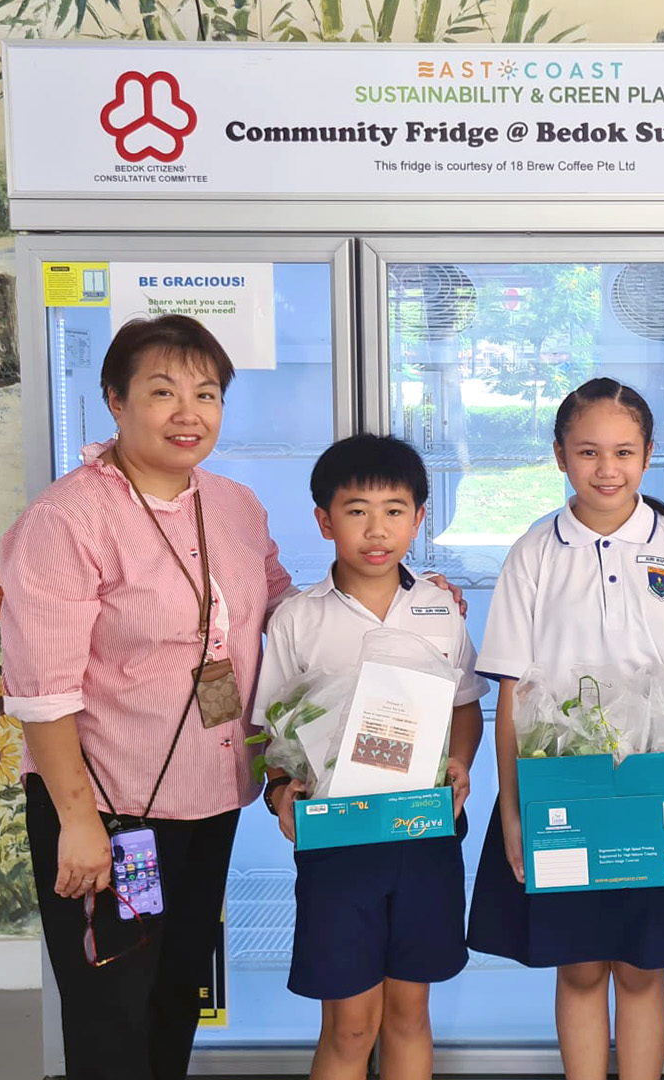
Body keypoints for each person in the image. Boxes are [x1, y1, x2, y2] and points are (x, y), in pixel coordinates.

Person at [3, 314, 294, 1080]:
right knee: (113, 1004)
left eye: (206, 393)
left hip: (210, 798)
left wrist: (397, 600)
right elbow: (43, 694)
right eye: (162, 392)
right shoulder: (67, 521)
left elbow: (283, 613)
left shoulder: (234, 505)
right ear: (115, 400)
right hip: (115, 812)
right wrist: (78, 823)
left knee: (175, 991)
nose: (187, 412)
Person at [466, 378, 664, 1080]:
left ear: (650, 456)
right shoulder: (534, 550)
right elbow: (511, 694)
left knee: (645, 970)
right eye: (588, 451)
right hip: (565, 791)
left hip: (662, 789)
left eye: (623, 451)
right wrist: (515, 814)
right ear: (560, 455)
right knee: (582, 969)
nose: (607, 468)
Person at [254, 434, 488, 1080]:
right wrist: (280, 793)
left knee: (410, 1013)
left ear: (419, 518)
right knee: (351, 1022)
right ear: (325, 520)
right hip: (338, 840)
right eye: (356, 510)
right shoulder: (297, 619)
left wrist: (462, 763)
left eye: (394, 509)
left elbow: (464, 705)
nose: (376, 529)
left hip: (425, 832)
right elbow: (267, 729)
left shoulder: (440, 607)